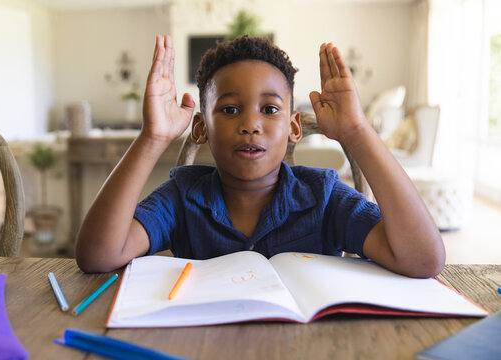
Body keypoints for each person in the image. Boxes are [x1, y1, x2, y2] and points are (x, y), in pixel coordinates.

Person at [75, 35, 445, 278]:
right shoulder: (181, 198)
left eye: (270, 110)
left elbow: (423, 259)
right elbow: (97, 256)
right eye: (230, 109)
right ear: (201, 128)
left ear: (293, 127)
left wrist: (358, 132)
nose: (251, 124)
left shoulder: (325, 197)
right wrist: (152, 137)